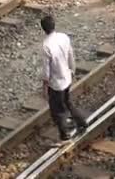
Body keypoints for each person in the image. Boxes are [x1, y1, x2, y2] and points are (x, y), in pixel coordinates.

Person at [41, 15, 87, 146]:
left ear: (43, 29)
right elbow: (71, 54)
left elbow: (46, 69)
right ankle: (81, 122)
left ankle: (65, 137)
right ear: (54, 25)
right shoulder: (63, 37)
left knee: (58, 111)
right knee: (67, 102)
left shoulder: (46, 45)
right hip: (67, 76)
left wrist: (45, 84)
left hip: (56, 83)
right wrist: (73, 69)